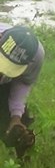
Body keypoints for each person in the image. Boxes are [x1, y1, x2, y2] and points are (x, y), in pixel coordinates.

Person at [0, 24, 44, 158]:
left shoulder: (36, 56)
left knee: (12, 130)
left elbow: (22, 83)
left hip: (7, 84)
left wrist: (16, 116)